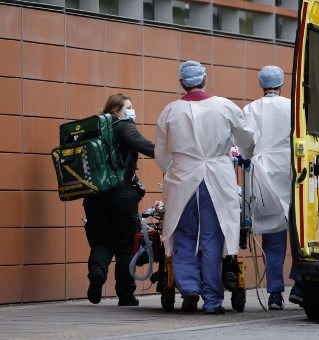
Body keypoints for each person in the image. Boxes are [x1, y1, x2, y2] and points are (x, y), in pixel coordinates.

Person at [155, 61, 255, 314]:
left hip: (182, 178)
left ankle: (189, 288)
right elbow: (245, 138)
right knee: (212, 237)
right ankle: (212, 300)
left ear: (181, 83)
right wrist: (244, 154)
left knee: (184, 235)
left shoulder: (170, 111)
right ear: (205, 79)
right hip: (216, 177)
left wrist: (174, 170)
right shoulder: (224, 105)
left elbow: (161, 153)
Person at [84, 93, 155, 306]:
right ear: (117, 110)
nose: (131, 111)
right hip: (121, 194)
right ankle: (125, 295)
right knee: (125, 244)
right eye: (129, 107)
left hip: (94, 195)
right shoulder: (124, 126)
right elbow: (145, 146)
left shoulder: (93, 129)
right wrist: (171, 153)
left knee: (102, 241)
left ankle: (97, 272)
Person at [242, 66, 302, 310]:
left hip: (263, 175)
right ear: (281, 83)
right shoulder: (292, 107)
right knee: (301, 237)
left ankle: (275, 293)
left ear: (261, 84)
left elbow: (244, 144)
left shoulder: (249, 109)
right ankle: (299, 284)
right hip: (292, 172)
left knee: (273, 238)